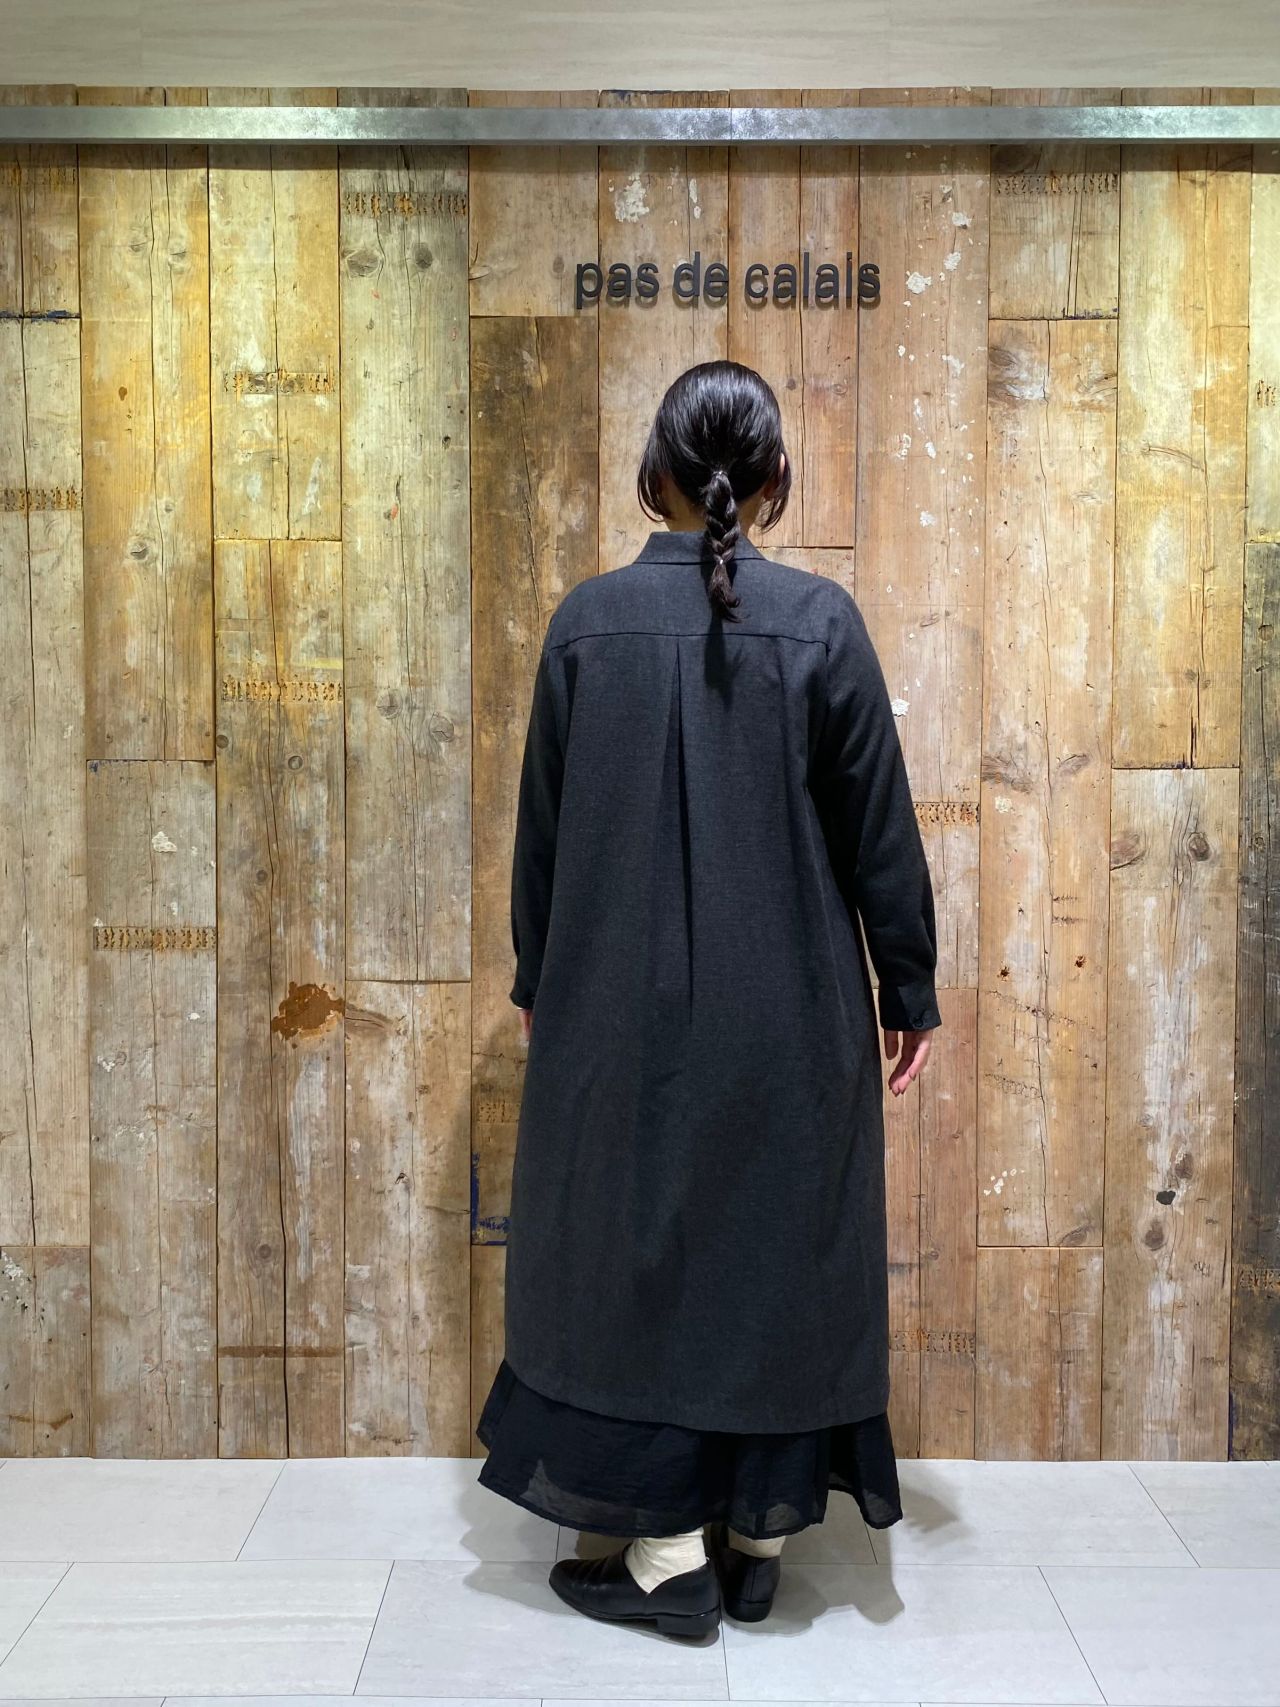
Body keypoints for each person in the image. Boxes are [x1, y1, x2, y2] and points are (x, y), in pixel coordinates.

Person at [474, 359, 942, 1640]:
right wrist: (905, 987)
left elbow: (541, 843)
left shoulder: (585, 626)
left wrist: (538, 980)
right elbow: (879, 833)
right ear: (774, 478)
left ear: (652, 477)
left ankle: (666, 1551)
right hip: (792, 1009)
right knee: (777, 1248)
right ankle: (755, 1540)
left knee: (626, 1258)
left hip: (615, 1013)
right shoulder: (821, 623)